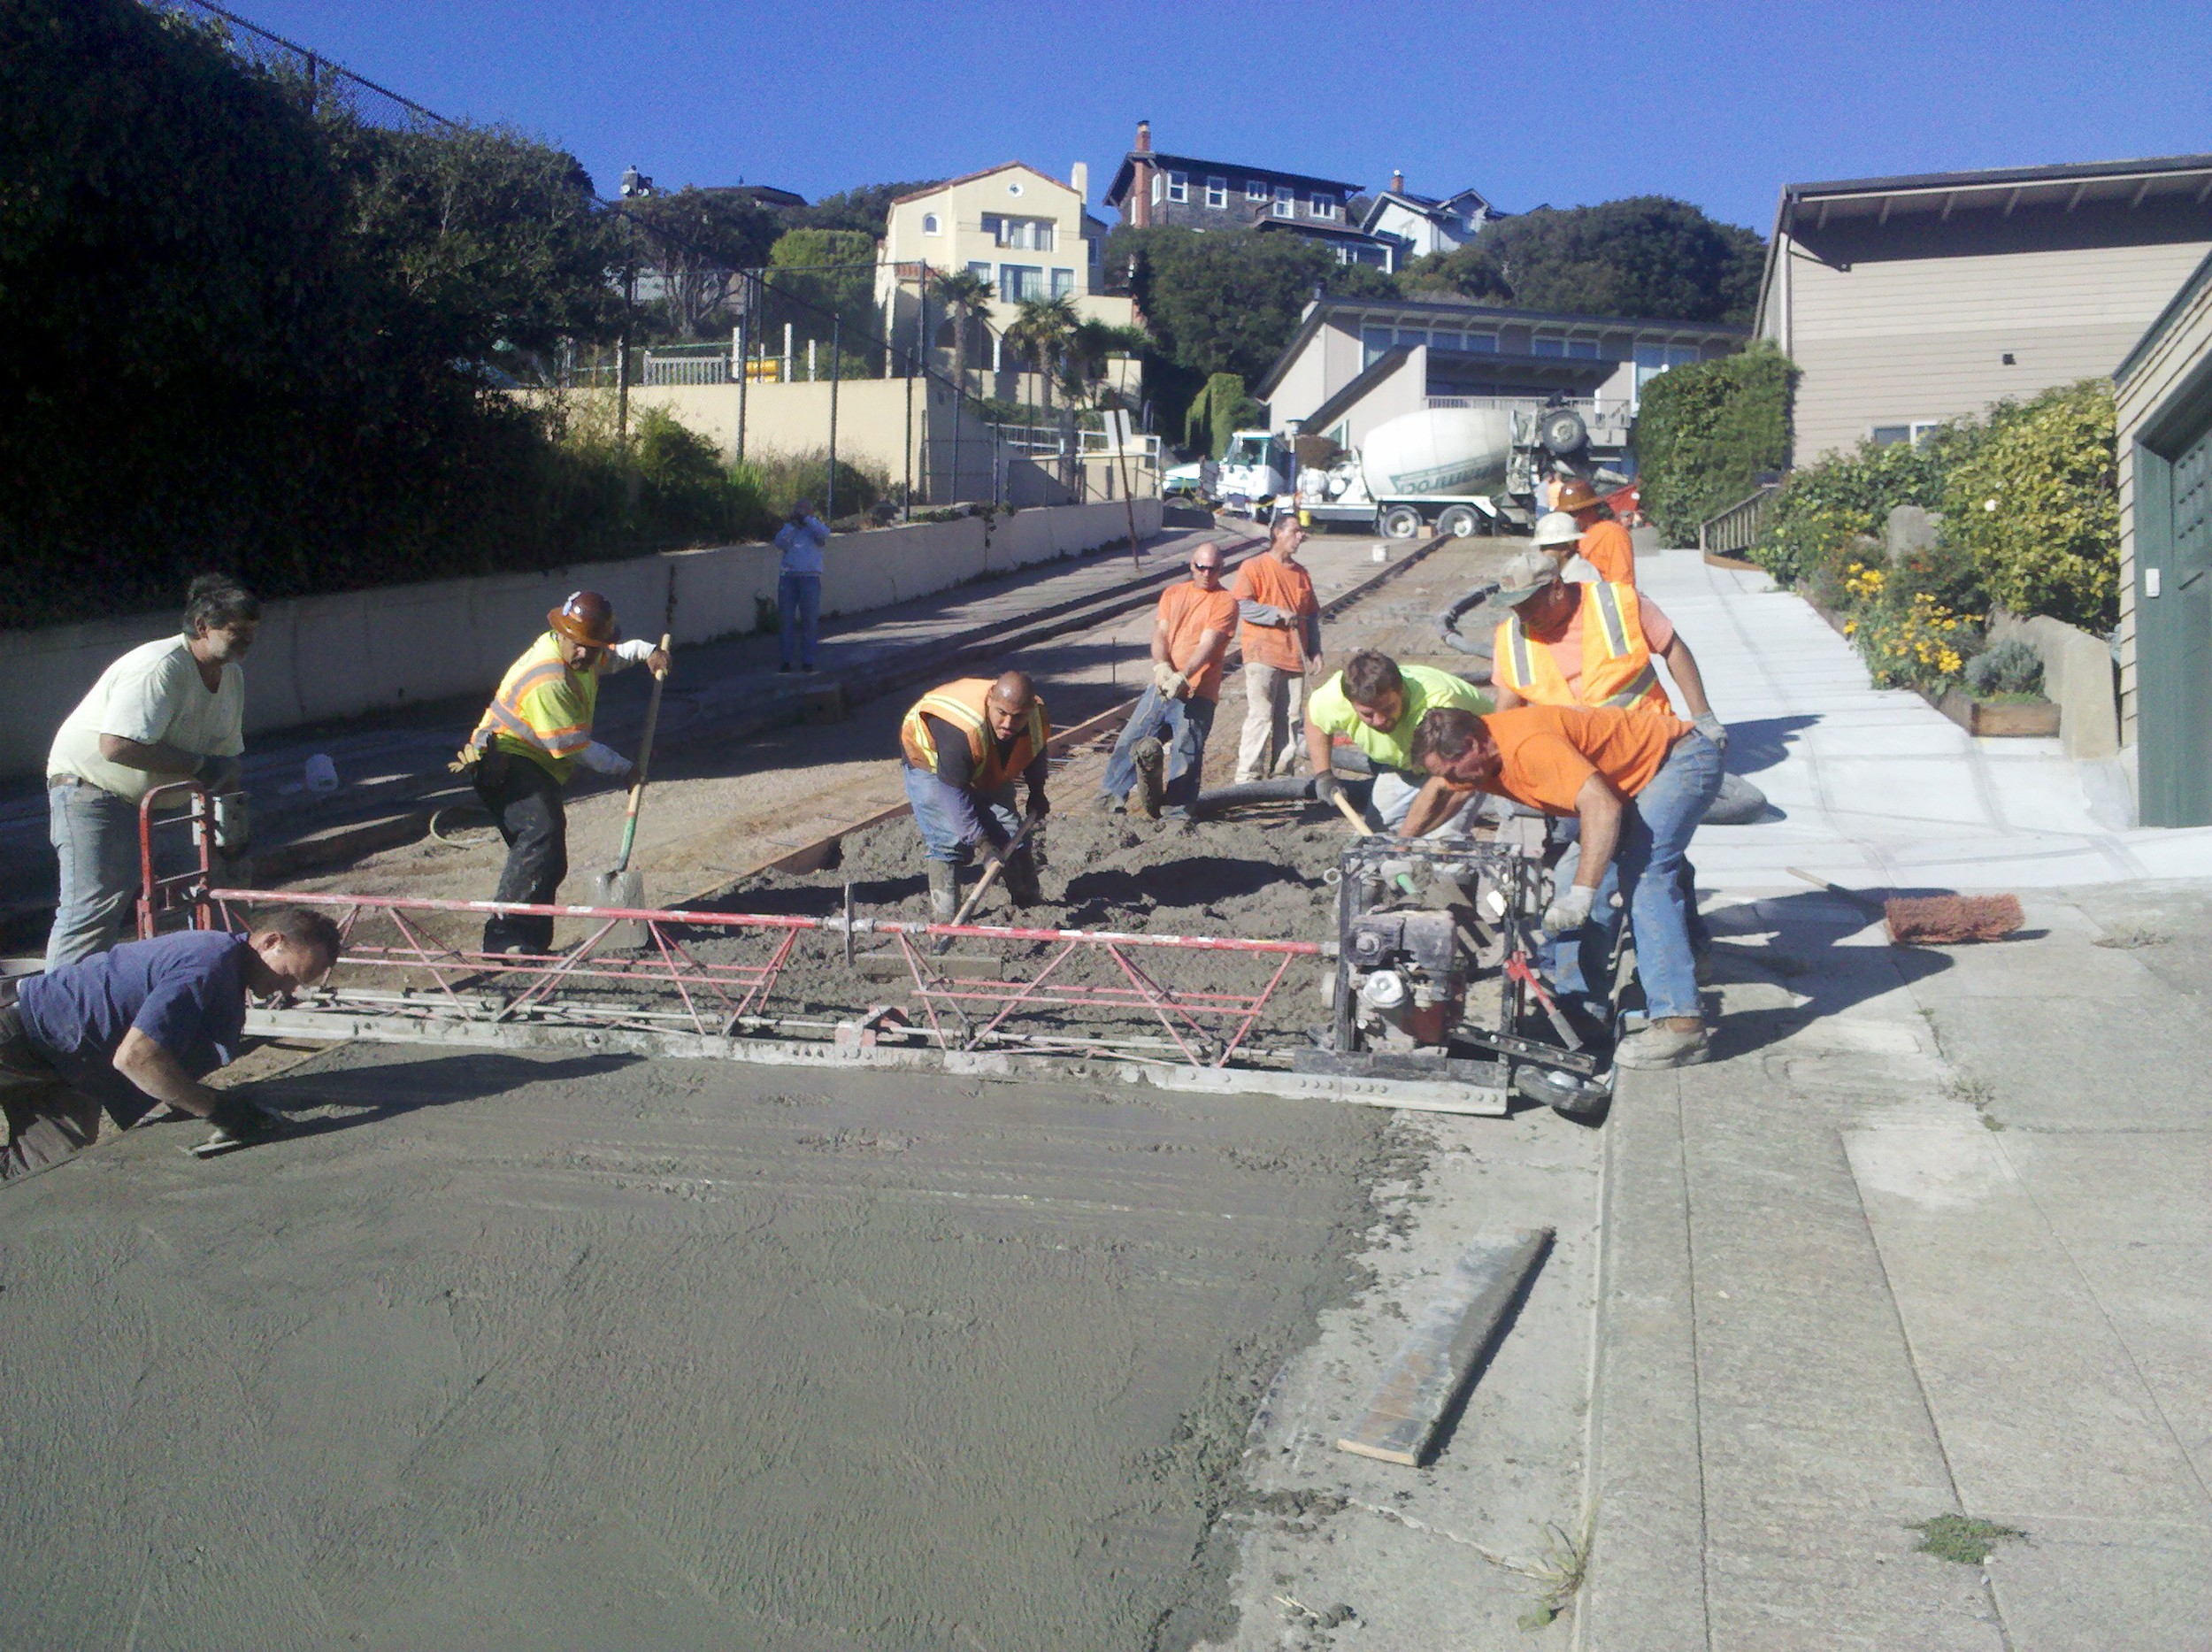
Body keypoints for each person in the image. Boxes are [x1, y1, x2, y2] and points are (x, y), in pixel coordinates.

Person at [1410, 704, 1723, 1068]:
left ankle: (1682, 1025)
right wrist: (1401, 845)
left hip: (1677, 761)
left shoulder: (1529, 747)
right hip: (1628, 782)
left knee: (1645, 876)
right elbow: (1444, 789)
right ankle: (1582, 1011)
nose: (1452, 780)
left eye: (1452, 770)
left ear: (1471, 745)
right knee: (1571, 873)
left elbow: (1602, 807)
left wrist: (1583, 894)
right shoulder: (1476, 757)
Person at [2, 909, 341, 1180]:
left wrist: (196, 1098)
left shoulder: (226, 970)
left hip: (69, 1066)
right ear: (270, 942)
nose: (287, 989)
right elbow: (137, 1058)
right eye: (289, 975)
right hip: (17, 1031)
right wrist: (217, 1109)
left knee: (43, 1178)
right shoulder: (210, 963)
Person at [43, 575, 259, 970]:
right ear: (202, 627)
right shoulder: (160, 667)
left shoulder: (231, 676)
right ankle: (58, 1013)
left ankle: (200, 988)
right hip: (93, 790)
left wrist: (230, 828)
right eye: (237, 631)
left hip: (165, 796)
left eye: (251, 631)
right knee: (95, 907)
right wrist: (198, 766)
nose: (247, 639)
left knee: (199, 892)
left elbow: (225, 761)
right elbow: (117, 745)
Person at [457, 592, 670, 956]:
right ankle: (503, 937)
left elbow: (613, 656)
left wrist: (648, 651)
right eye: (579, 645)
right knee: (540, 832)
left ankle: (531, 944)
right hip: (502, 759)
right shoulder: (549, 677)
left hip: (534, 761)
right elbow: (573, 746)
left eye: (593, 645)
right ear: (560, 634)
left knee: (550, 855)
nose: (585, 654)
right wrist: (626, 770)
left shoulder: (583, 655)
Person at [900, 672, 1051, 920]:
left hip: (982, 755)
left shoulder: (1035, 717)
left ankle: (1030, 905)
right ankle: (947, 921)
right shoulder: (960, 730)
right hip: (930, 760)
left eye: (1018, 717)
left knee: (1011, 832)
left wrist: (1037, 792)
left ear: (1030, 710)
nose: (1008, 724)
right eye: (1001, 713)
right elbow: (954, 792)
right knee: (948, 840)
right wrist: (984, 844)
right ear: (990, 699)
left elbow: (1034, 750)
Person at [1102, 544, 1236, 818]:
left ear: (1221, 570)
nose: (1206, 574)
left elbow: (1208, 644)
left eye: (1213, 569)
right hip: (1163, 690)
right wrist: (1162, 667)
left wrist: (1183, 676)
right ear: (1191, 565)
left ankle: (1177, 815)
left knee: (1186, 753)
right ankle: (1109, 800)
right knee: (1131, 741)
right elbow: (1160, 634)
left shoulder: (1225, 602)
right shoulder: (1173, 594)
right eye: (1201, 567)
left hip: (1198, 693)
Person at [1303, 650, 1490, 834]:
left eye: (1387, 708)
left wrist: (1409, 835)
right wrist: (1324, 776)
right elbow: (1315, 721)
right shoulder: (1335, 696)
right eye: (1368, 714)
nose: (1379, 721)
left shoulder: (1439, 706)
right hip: (1409, 761)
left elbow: (1453, 781)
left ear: (1400, 691)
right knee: (1379, 829)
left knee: (1442, 837)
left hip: (1465, 760)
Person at [1229, 511, 1321, 781]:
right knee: (1261, 714)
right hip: (1263, 654)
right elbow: (1243, 606)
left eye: (1301, 531)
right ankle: (1248, 776)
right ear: (1277, 533)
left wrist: (1315, 650)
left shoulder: (1302, 574)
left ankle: (1282, 774)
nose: (1300, 536)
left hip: (1295, 657)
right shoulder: (1254, 567)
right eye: (1295, 531)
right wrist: (1275, 613)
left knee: (1291, 719)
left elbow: (1312, 615)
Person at [775, 498, 829, 673]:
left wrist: (807, 520)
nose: (800, 513)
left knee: (810, 621)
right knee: (786, 621)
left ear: (811, 512)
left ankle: (808, 661)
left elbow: (825, 534)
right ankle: (786, 660)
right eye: (798, 510)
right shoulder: (789, 529)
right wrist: (792, 526)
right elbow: (779, 542)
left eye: (804, 510)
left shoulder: (815, 528)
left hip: (810, 578)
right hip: (789, 578)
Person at [1553, 477, 1636, 585]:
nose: (1570, 519)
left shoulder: (1612, 533)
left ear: (1590, 509)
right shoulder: (1571, 537)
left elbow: (1623, 582)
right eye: (1566, 514)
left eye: (1574, 514)